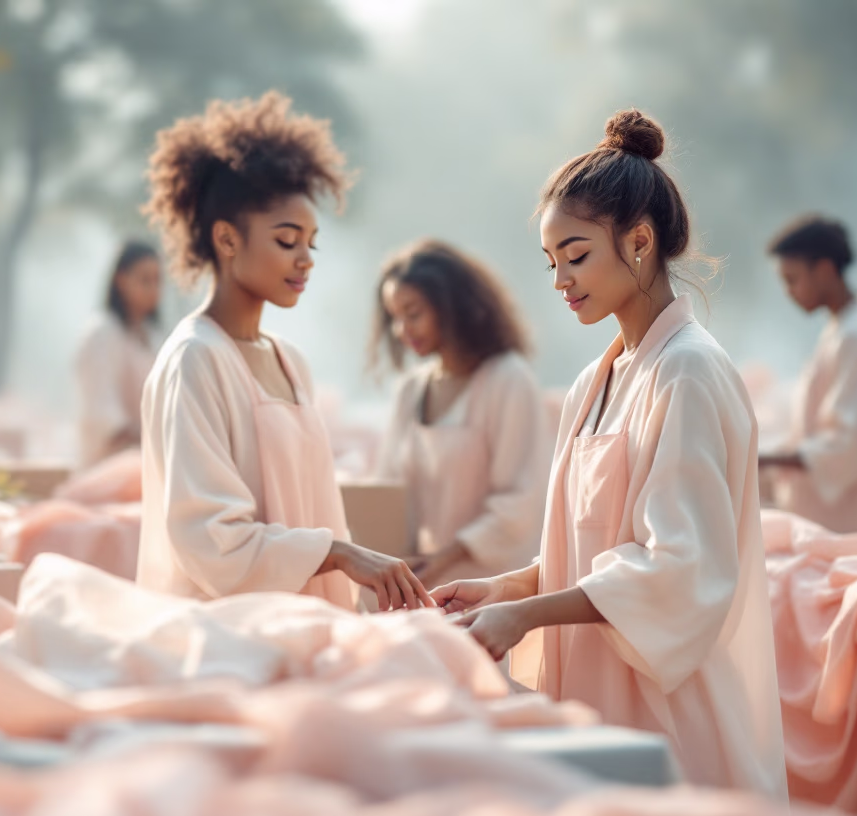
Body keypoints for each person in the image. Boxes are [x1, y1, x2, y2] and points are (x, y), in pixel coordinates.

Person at [432, 110, 787, 797]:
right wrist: (508, 587)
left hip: (663, 715)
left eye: (577, 254)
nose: (561, 279)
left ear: (640, 241)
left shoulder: (687, 372)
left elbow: (676, 567)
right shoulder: (603, 377)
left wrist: (527, 615)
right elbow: (590, 544)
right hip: (597, 702)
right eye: (552, 262)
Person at [135, 92, 432, 612]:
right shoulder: (194, 358)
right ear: (226, 239)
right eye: (287, 240)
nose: (304, 260)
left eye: (311, 243)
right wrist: (338, 554)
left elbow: (320, 509)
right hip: (228, 633)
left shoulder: (289, 360)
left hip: (308, 618)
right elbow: (209, 539)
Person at [371, 239, 551, 588]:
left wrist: (443, 558)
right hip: (419, 586)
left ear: (451, 305)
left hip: (489, 590)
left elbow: (520, 502)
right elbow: (387, 490)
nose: (401, 330)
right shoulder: (410, 391)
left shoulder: (508, 379)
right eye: (395, 318)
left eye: (413, 314)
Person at [759, 216, 857, 537]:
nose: (789, 292)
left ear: (824, 270)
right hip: (838, 518)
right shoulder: (846, 326)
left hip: (854, 524)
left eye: (792, 279)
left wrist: (766, 459)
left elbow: (850, 445)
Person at [75, 240, 164, 467]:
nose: (153, 290)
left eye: (158, 281)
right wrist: (152, 438)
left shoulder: (154, 337)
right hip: (108, 464)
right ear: (121, 280)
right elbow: (103, 416)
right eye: (145, 280)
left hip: (149, 457)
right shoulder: (102, 334)